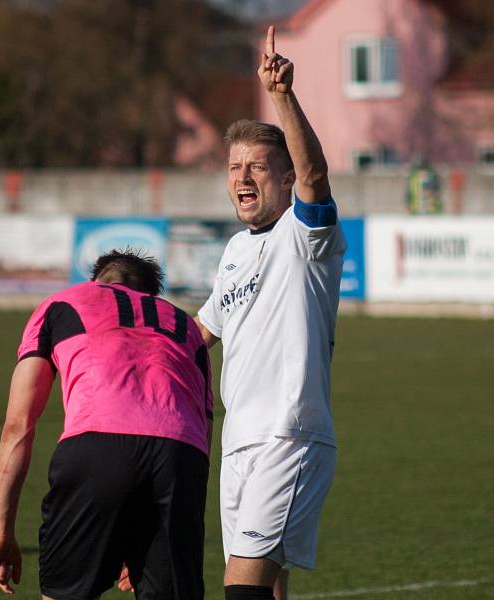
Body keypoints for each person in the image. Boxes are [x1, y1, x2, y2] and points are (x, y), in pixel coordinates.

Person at [195, 27, 346, 600]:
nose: (242, 178)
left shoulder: (303, 236)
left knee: (244, 590)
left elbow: (316, 177)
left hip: (288, 434)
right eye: (235, 168)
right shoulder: (237, 251)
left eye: (257, 167)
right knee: (269, 588)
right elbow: (201, 331)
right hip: (238, 442)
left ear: (284, 179)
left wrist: (281, 94)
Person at [0, 249, 214, 599]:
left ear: (97, 281)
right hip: (181, 457)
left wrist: (2, 530)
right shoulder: (185, 327)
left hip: (98, 446)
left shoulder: (61, 303)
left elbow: (19, 424)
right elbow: (203, 432)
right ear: (150, 295)